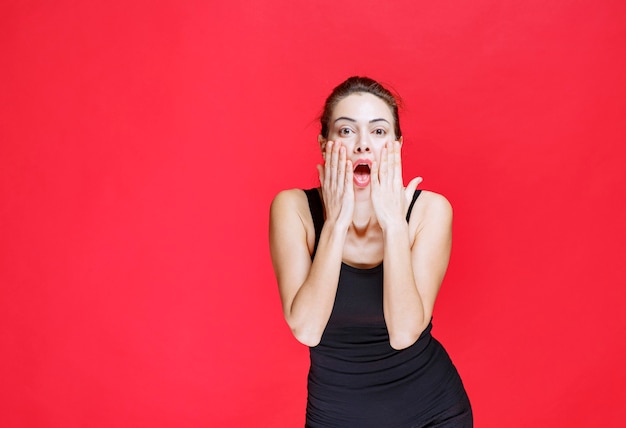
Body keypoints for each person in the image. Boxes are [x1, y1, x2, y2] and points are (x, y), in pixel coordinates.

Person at [269, 76, 473, 427]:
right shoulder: (293, 209)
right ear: (324, 145)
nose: (363, 145)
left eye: (378, 132)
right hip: (335, 416)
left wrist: (395, 225)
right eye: (346, 131)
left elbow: (404, 332)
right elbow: (306, 329)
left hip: (433, 413)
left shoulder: (430, 212)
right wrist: (335, 223)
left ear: (396, 146)